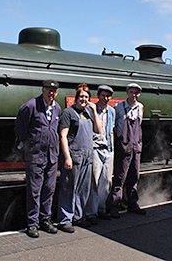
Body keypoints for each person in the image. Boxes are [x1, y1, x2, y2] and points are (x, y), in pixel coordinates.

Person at [15, 79, 61, 238]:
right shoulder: (31, 106)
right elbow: (20, 129)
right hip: (35, 155)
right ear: (43, 90)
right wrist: (29, 145)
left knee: (49, 189)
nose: (51, 93)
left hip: (51, 156)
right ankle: (32, 223)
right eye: (48, 90)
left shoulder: (57, 108)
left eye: (54, 91)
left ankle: (45, 219)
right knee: (34, 191)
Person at [58, 84, 102, 233]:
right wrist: (67, 157)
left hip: (87, 155)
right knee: (69, 188)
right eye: (81, 96)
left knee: (83, 189)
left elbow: (98, 130)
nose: (84, 99)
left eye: (86, 97)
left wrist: (95, 111)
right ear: (76, 98)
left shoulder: (89, 112)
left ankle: (79, 216)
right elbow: (63, 136)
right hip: (74, 155)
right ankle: (65, 219)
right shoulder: (68, 113)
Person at [108, 82, 147, 218]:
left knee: (134, 176)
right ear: (127, 93)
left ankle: (132, 204)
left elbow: (139, 124)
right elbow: (114, 126)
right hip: (123, 147)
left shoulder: (140, 107)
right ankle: (114, 206)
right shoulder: (119, 107)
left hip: (136, 147)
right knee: (119, 178)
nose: (134, 95)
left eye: (136, 93)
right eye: (132, 92)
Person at [87, 85, 116, 222]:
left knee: (106, 181)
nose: (106, 98)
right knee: (94, 180)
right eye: (103, 95)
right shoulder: (92, 109)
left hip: (108, 148)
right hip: (95, 147)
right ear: (98, 96)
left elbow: (112, 130)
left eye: (108, 96)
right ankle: (91, 212)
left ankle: (101, 209)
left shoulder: (112, 111)